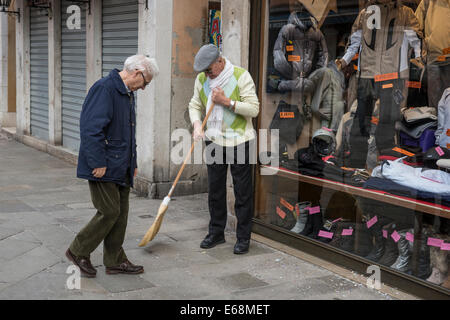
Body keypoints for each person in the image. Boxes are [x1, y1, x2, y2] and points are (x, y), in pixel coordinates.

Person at [66, 55, 159, 277]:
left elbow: (129, 131)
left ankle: (115, 260)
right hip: (104, 165)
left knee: (121, 214)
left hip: (122, 165)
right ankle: (78, 250)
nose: (144, 88)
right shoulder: (104, 88)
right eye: (145, 82)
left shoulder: (127, 93)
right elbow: (90, 129)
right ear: (137, 73)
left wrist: (133, 162)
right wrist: (97, 161)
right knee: (109, 211)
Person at [188, 44, 260, 254]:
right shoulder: (202, 80)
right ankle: (216, 233)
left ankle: (243, 238)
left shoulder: (240, 76)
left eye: (209, 70)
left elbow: (254, 109)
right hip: (214, 140)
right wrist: (196, 124)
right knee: (215, 190)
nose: (207, 75)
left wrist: (227, 102)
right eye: (204, 71)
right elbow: (194, 104)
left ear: (220, 61)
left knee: (242, 193)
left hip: (240, 141)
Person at [415, 0, 450, 108]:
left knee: (447, 97)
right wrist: (423, 50)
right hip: (434, 57)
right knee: (435, 96)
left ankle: (445, 122)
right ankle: (435, 121)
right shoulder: (427, 2)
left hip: (446, 57)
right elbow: (415, 27)